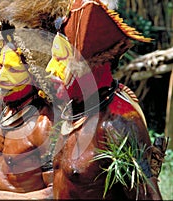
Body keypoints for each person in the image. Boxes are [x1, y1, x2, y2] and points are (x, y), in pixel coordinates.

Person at [43, 0, 164, 199]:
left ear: (88, 66)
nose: (49, 69)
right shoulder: (71, 114)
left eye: (60, 60)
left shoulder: (117, 124)